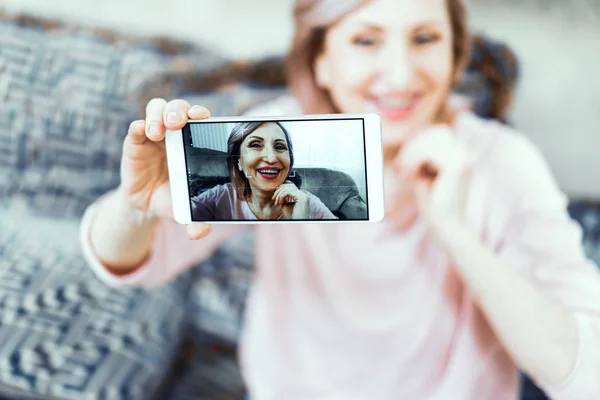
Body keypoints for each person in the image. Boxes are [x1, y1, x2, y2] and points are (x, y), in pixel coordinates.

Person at [80, 0, 600, 399]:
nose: (400, 74)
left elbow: (584, 376)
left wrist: (456, 233)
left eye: (425, 38)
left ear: (454, 55)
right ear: (322, 62)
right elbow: (129, 259)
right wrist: (136, 205)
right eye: (366, 41)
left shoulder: (501, 159)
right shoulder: (272, 137)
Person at [190, 121, 336, 221]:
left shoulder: (307, 203)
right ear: (238, 161)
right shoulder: (221, 196)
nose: (271, 158)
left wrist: (299, 222)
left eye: (279, 147)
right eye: (255, 145)